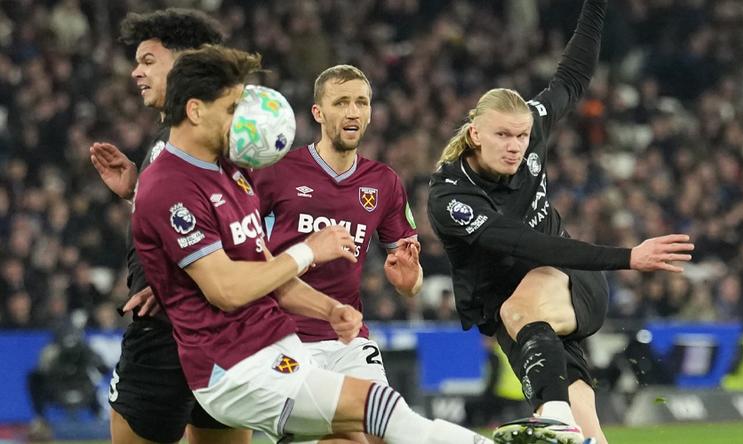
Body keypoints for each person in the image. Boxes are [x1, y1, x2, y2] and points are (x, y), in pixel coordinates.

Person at [132, 44, 505, 444]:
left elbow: (262, 267)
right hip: (234, 365)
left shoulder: (230, 174)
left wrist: (330, 309)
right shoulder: (176, 183)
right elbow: (226, 289)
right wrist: (309, 250)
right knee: (381, 409)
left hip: (277, 341)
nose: (241, 121)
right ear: (195, 110)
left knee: (368, 429)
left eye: (361, 102)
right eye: (232, 109)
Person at [426, 1, 694, 443]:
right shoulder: (452, 197)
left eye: (521, 135)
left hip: (568, 279)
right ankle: (566, 426)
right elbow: (522, 243)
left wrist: (596, 7)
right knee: (583, 418)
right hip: (522, 317)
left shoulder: (533, 126)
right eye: (502, 135)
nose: (515, 146)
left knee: (522, 317)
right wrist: (628, 256)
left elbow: (572, 77)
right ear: (475, 134)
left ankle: (553, 425)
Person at [88, 9, 251, 444]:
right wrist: (137, 191)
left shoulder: (211, 139)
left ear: (184, 65)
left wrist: (172, 285)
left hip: (166, 335)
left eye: (148, 60)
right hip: (223, 334)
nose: (135, 72)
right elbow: (218, 216)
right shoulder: (182, 140)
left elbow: (252, 225)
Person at [252, 64, 422, 443]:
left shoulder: (384, 183)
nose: (352, 112)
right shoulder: (278, 170)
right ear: (318, 112)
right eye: (341, 102)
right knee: (345, 434)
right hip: (284, 335)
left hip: (347, 337)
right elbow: (235, 239)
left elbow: (409, 279)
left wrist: (410, 281)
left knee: (385, 430)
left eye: (361, 103)